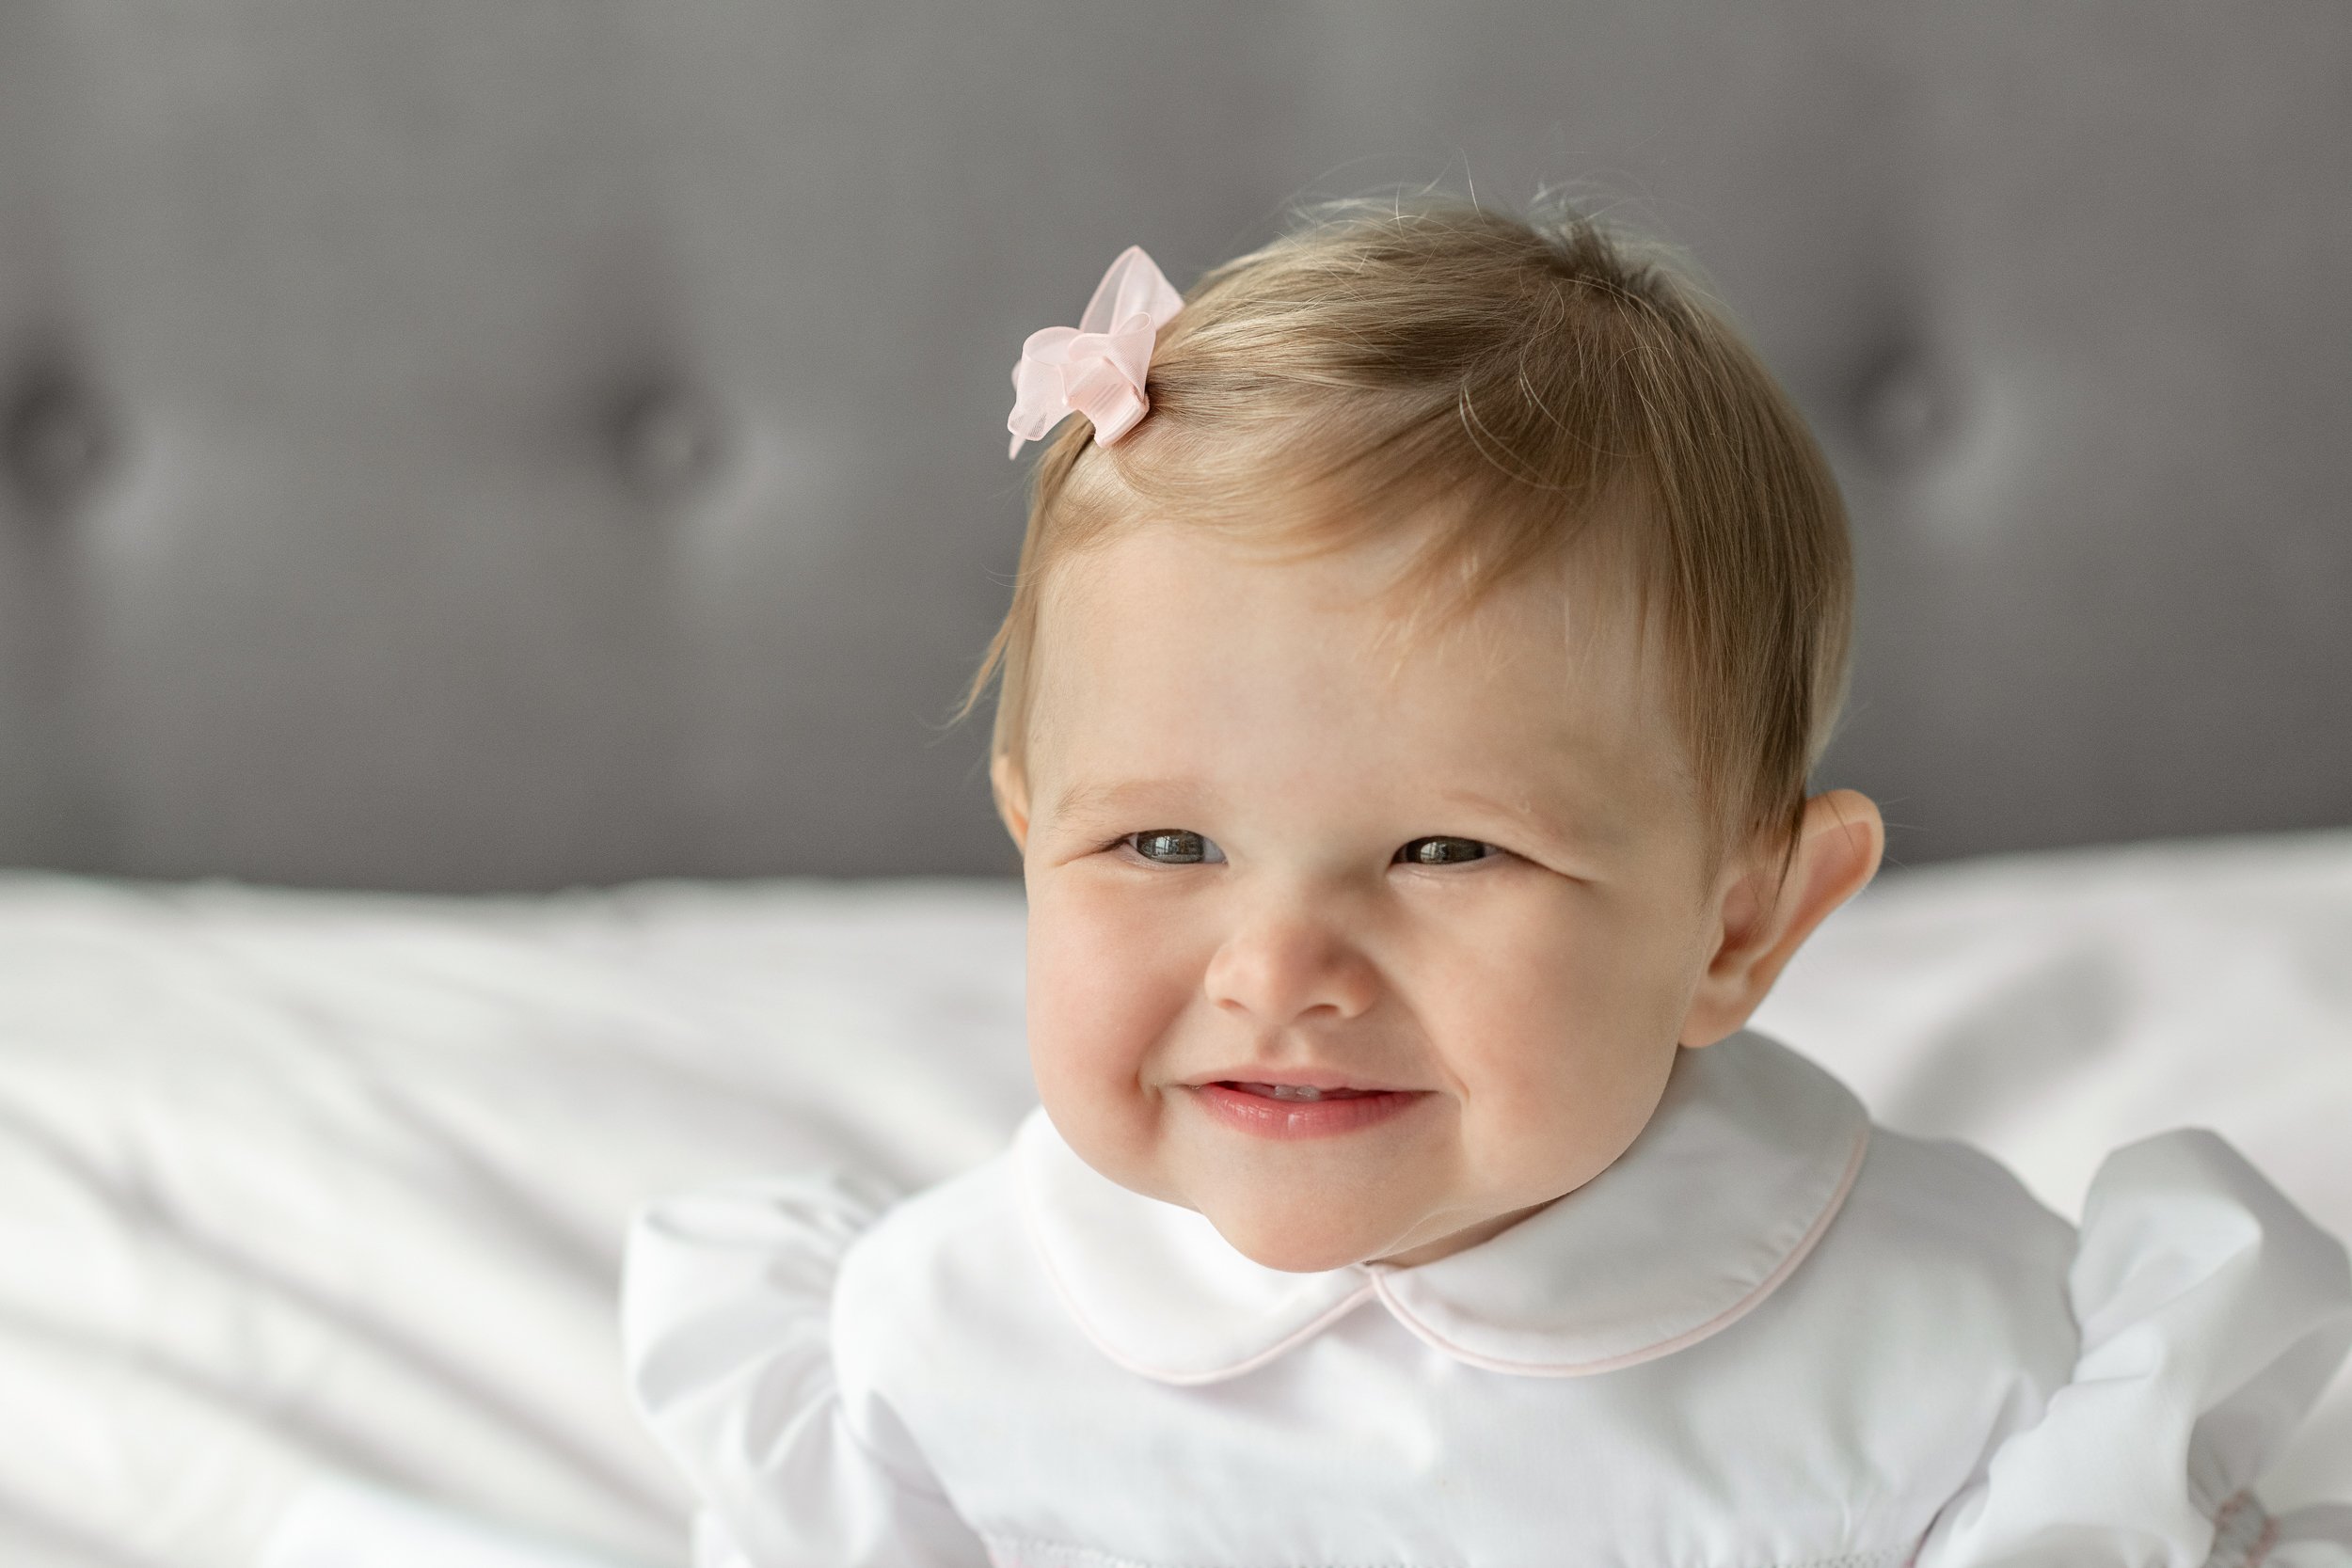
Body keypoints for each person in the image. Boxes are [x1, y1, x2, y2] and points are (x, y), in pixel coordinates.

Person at [621, 198, 2352, 1567]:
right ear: (1025, 834)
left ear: (1740, 926)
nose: (1281, 967)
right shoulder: (943, 1333)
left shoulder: (1971, 1362)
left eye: (1447, 851)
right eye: (1164, 844)